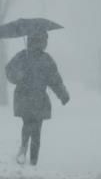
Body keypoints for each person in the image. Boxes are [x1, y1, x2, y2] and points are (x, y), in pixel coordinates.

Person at [5, 30, 70, 166]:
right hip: (37, 99)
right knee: (36, 131)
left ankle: (24, 148)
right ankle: (33, 160)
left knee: (28, 124)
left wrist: (18, 75)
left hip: (24, 98)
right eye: (45, 40)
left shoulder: (22, 56)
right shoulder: (45, 59)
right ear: (41, 42)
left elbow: (9, 70)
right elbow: (55, 80)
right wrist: (63, 94)